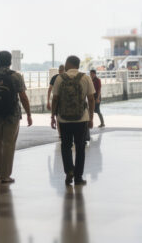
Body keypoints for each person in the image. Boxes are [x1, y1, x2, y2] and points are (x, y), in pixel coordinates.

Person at [0, 50, 33, 184]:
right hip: (12, 115)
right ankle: (6, 175)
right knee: (9, 144)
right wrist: (28, 114)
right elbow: (23, 97)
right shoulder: (16, 76)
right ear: (10, 62)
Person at [51, 55, 95, 186]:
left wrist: (53, 116)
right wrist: (91, 117)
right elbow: (91, 99)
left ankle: (69, 170)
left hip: (63, 119)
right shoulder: (85, 78)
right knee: (80, 147)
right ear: (78, 65)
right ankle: (78, 177)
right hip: (81, 119)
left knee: (66, 146)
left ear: (68, 64)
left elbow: (55, 99)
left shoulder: (59, 78)